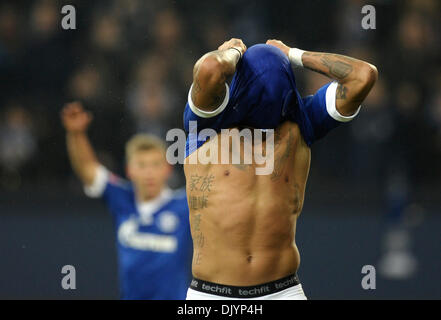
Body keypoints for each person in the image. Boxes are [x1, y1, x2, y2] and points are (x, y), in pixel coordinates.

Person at [183, 38, 378, 300]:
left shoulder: (302, 120)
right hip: (212, 295)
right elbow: (209, 69)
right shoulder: (208, 123)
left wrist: (294, 54)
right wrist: (233, 52)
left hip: (282, 292)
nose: (269, 92)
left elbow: (364, 76)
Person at [61, 102, 192, 300]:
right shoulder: (121, 198)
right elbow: (87, 168)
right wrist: (76, 135)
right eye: (141, 165)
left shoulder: (184, 204)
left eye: (155, 164)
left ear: (167, 169)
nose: (149, 172)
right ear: (130, 170)